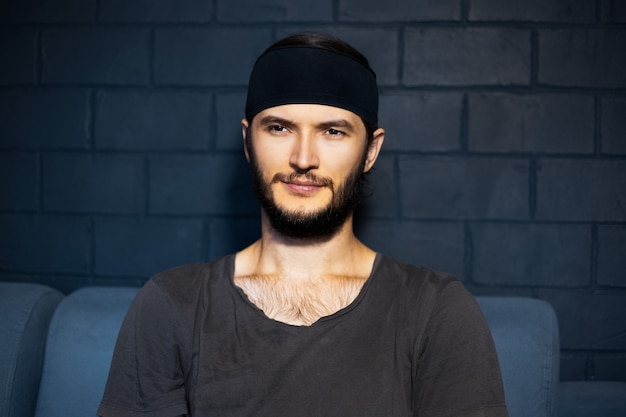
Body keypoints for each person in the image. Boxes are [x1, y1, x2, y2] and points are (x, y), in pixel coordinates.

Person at [98, 32, 509, 417]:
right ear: (248, 142)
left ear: (370, 151)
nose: (303, 158)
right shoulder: (172, 304)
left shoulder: (436, 311)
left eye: (333, 131)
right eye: (279, 128)